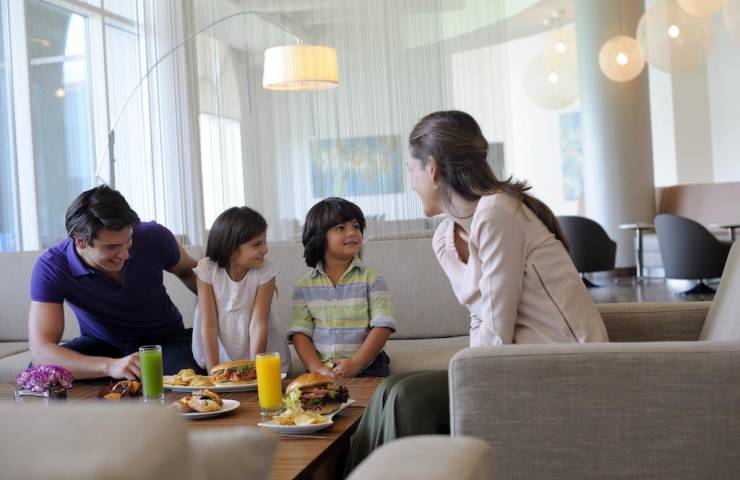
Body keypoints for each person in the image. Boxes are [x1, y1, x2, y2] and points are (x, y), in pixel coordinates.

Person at [346, 110, 608, 471]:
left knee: (408, 397)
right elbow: (479, 316)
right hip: (512, 362)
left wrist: (467, 377)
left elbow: (497, 326)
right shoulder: (445, 237)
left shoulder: (497, 212)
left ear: (432, 169)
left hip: (564, 364)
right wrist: (466, 371)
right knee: (387, 391)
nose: (411, 182)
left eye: (411, 169)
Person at [28, 185, 201, 379]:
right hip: (101, 346)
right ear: (80, 241)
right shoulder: (52, 267)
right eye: (111, 247)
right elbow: (41, 352)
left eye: (128, 241)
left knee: (178, 371)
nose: (125, 254)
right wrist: (109, 366)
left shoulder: (154, 236)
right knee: (39, 374)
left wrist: (220, 315)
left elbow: (191, 271)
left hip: (165, 341)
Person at [288, 197, 396, 378]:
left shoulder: (373, 279)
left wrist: (356, 363)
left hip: (368, 366)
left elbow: (383, 326)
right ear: (319, 237)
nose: (352, 232)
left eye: (356, 226)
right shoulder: (304, 286)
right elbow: (300, 333)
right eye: (340, 228)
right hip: (323, 369)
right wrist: (317, 369)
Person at [191, 206, 290, 373]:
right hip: (217, 351)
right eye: (257, 244)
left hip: (259, 354)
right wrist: (213, 372)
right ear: (231, 250)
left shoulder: (265, 271)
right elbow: (209, 325)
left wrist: (253, 371)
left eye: (264, 242)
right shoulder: (207, 269)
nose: (265, 250)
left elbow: (258, 325)